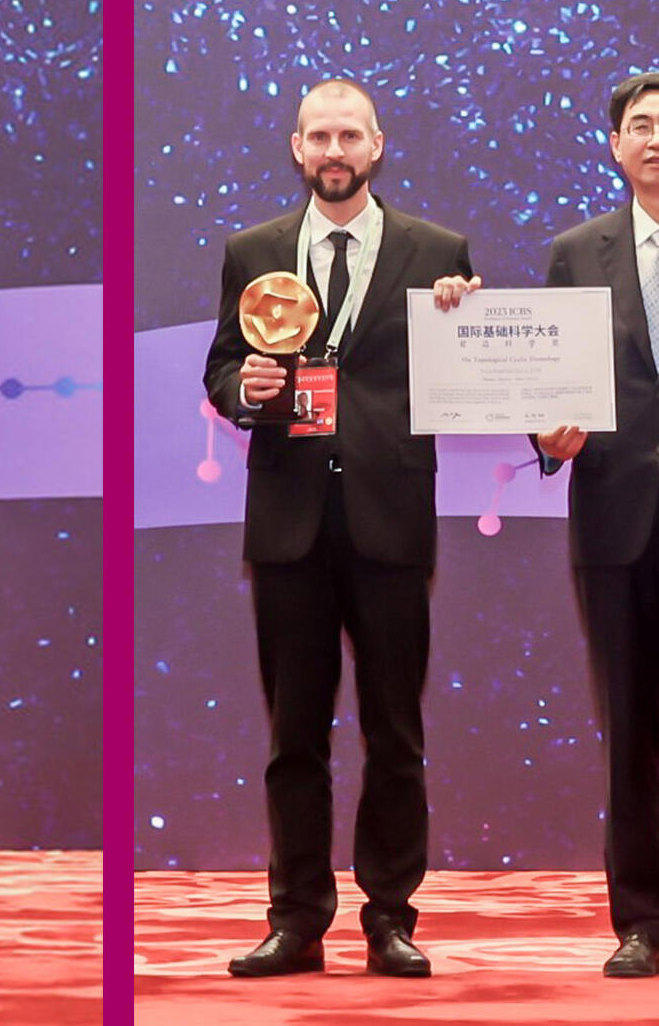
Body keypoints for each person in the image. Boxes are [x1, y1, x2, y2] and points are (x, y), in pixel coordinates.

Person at [205, 78, 478, 978]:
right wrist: (242, 390)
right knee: (294, 737)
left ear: (376, 145)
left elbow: (461, 373)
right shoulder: (251, 252)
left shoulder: (437, 253)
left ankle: (389, 917)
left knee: (394, 734)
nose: (333, 150)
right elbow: (222, 369)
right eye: (318, 136)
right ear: (296, 148)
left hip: (389, 520)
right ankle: (295, 920)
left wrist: (464, 319)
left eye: (348, 136)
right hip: (287, 524)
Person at [537, 70, 659, 978]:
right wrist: (544, 435)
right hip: (618, 521)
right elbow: (547, 384)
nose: (656, 139)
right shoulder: (577, 252)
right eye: (641, 125)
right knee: (632, 726)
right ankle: (642, 919)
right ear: (614, 145)